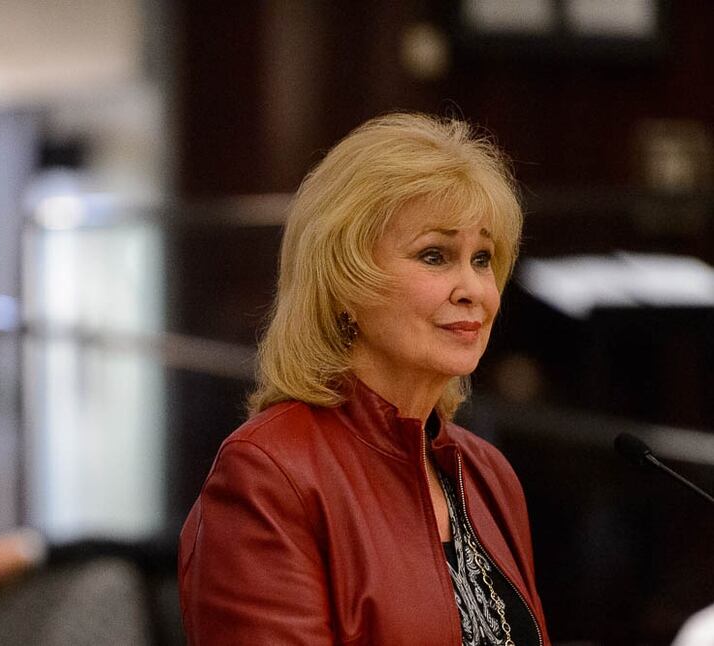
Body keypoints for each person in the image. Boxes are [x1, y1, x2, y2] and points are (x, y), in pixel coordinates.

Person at [178, 113, 550, 644]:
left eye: (482, 258)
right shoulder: (268, 475)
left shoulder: (488, 475)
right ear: (346, 282)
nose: (473, 289)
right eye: (435, 255)